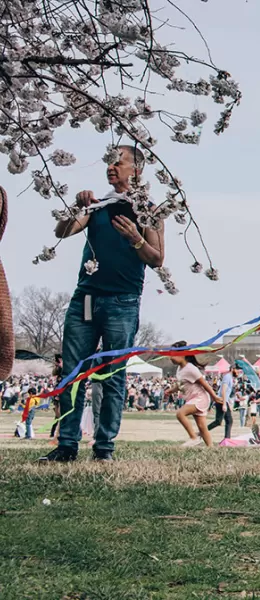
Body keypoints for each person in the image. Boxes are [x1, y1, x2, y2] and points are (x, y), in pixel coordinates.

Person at [41, 146, 165, 464]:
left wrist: (136, 237)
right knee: (72, 374)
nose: (110, 167)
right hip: (84, 299)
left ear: (136, 170)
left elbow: (156, 258)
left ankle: (104, 447)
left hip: (122, 303)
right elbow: (63, 231)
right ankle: (67, 445)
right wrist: (75, 207)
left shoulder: (149, 209)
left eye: (118, 162)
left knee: (113, 376)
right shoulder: (98, 205)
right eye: (108, 161)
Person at [169, 344, 221, 448]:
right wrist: (170, 391)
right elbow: (180, 385)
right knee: (202, 427)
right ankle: (211, 448)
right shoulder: (180, 369)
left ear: (183, 355)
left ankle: (193, 438)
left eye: (173, 354)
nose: (171, 358)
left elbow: (204, 384)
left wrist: (214, 397)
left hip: (200, 398)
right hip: (192, 398)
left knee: (180, 414)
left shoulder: (190, 369)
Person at [207, 363, 236, 441]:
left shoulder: (230, 378)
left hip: (223, 401)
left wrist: (227, 403)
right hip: (221, 400)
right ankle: (202, 432)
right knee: (218, 421)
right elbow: (223, 390)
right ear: (232, 369)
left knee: (229, 421)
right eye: (237, 370)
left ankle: (227, 439)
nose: (238, 372)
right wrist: (224, 404)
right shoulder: (227, 377)